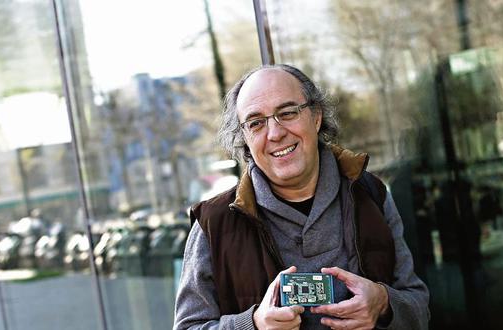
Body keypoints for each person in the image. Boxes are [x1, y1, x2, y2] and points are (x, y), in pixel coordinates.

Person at [173, 64, 429, 329]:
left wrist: (383, 303)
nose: (275, 133)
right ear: (245, 138)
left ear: (316, 117)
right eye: (256, 123)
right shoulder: (214, 225)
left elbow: (419, 309)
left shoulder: (370, 194)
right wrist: (253, 325)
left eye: (287, 112)